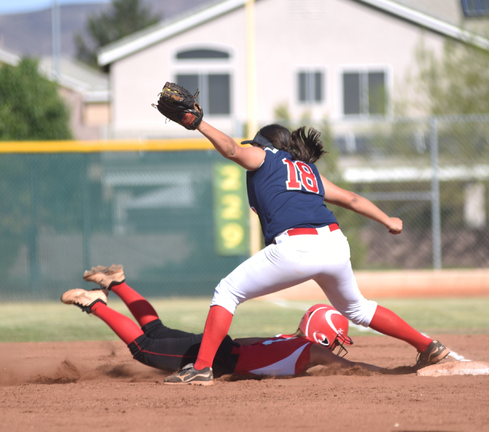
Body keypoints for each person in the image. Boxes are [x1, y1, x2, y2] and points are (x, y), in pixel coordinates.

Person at [160, 109, 449, 385]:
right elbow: (351, 199)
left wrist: (198, 123)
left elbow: (233, 150)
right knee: (359, 308)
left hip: (297, 246)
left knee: (228, 290)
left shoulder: (266, 157)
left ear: (265, 145)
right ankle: (428, 346)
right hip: (335, 243)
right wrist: (388, 219)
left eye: (257, 146)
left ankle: (200, 369)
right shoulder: (307, 170)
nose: (253, 150)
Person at [61, 265, 385, 385]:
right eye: (334, 338)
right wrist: (389, 373)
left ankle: (117, 283)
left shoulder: (288, 338)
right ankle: (96, 303)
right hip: (217, 356)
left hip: (218, 345)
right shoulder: (311, 349)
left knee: (156, 332)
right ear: (321, 335)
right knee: (144, 349)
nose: (335, 345)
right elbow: (352, 365)